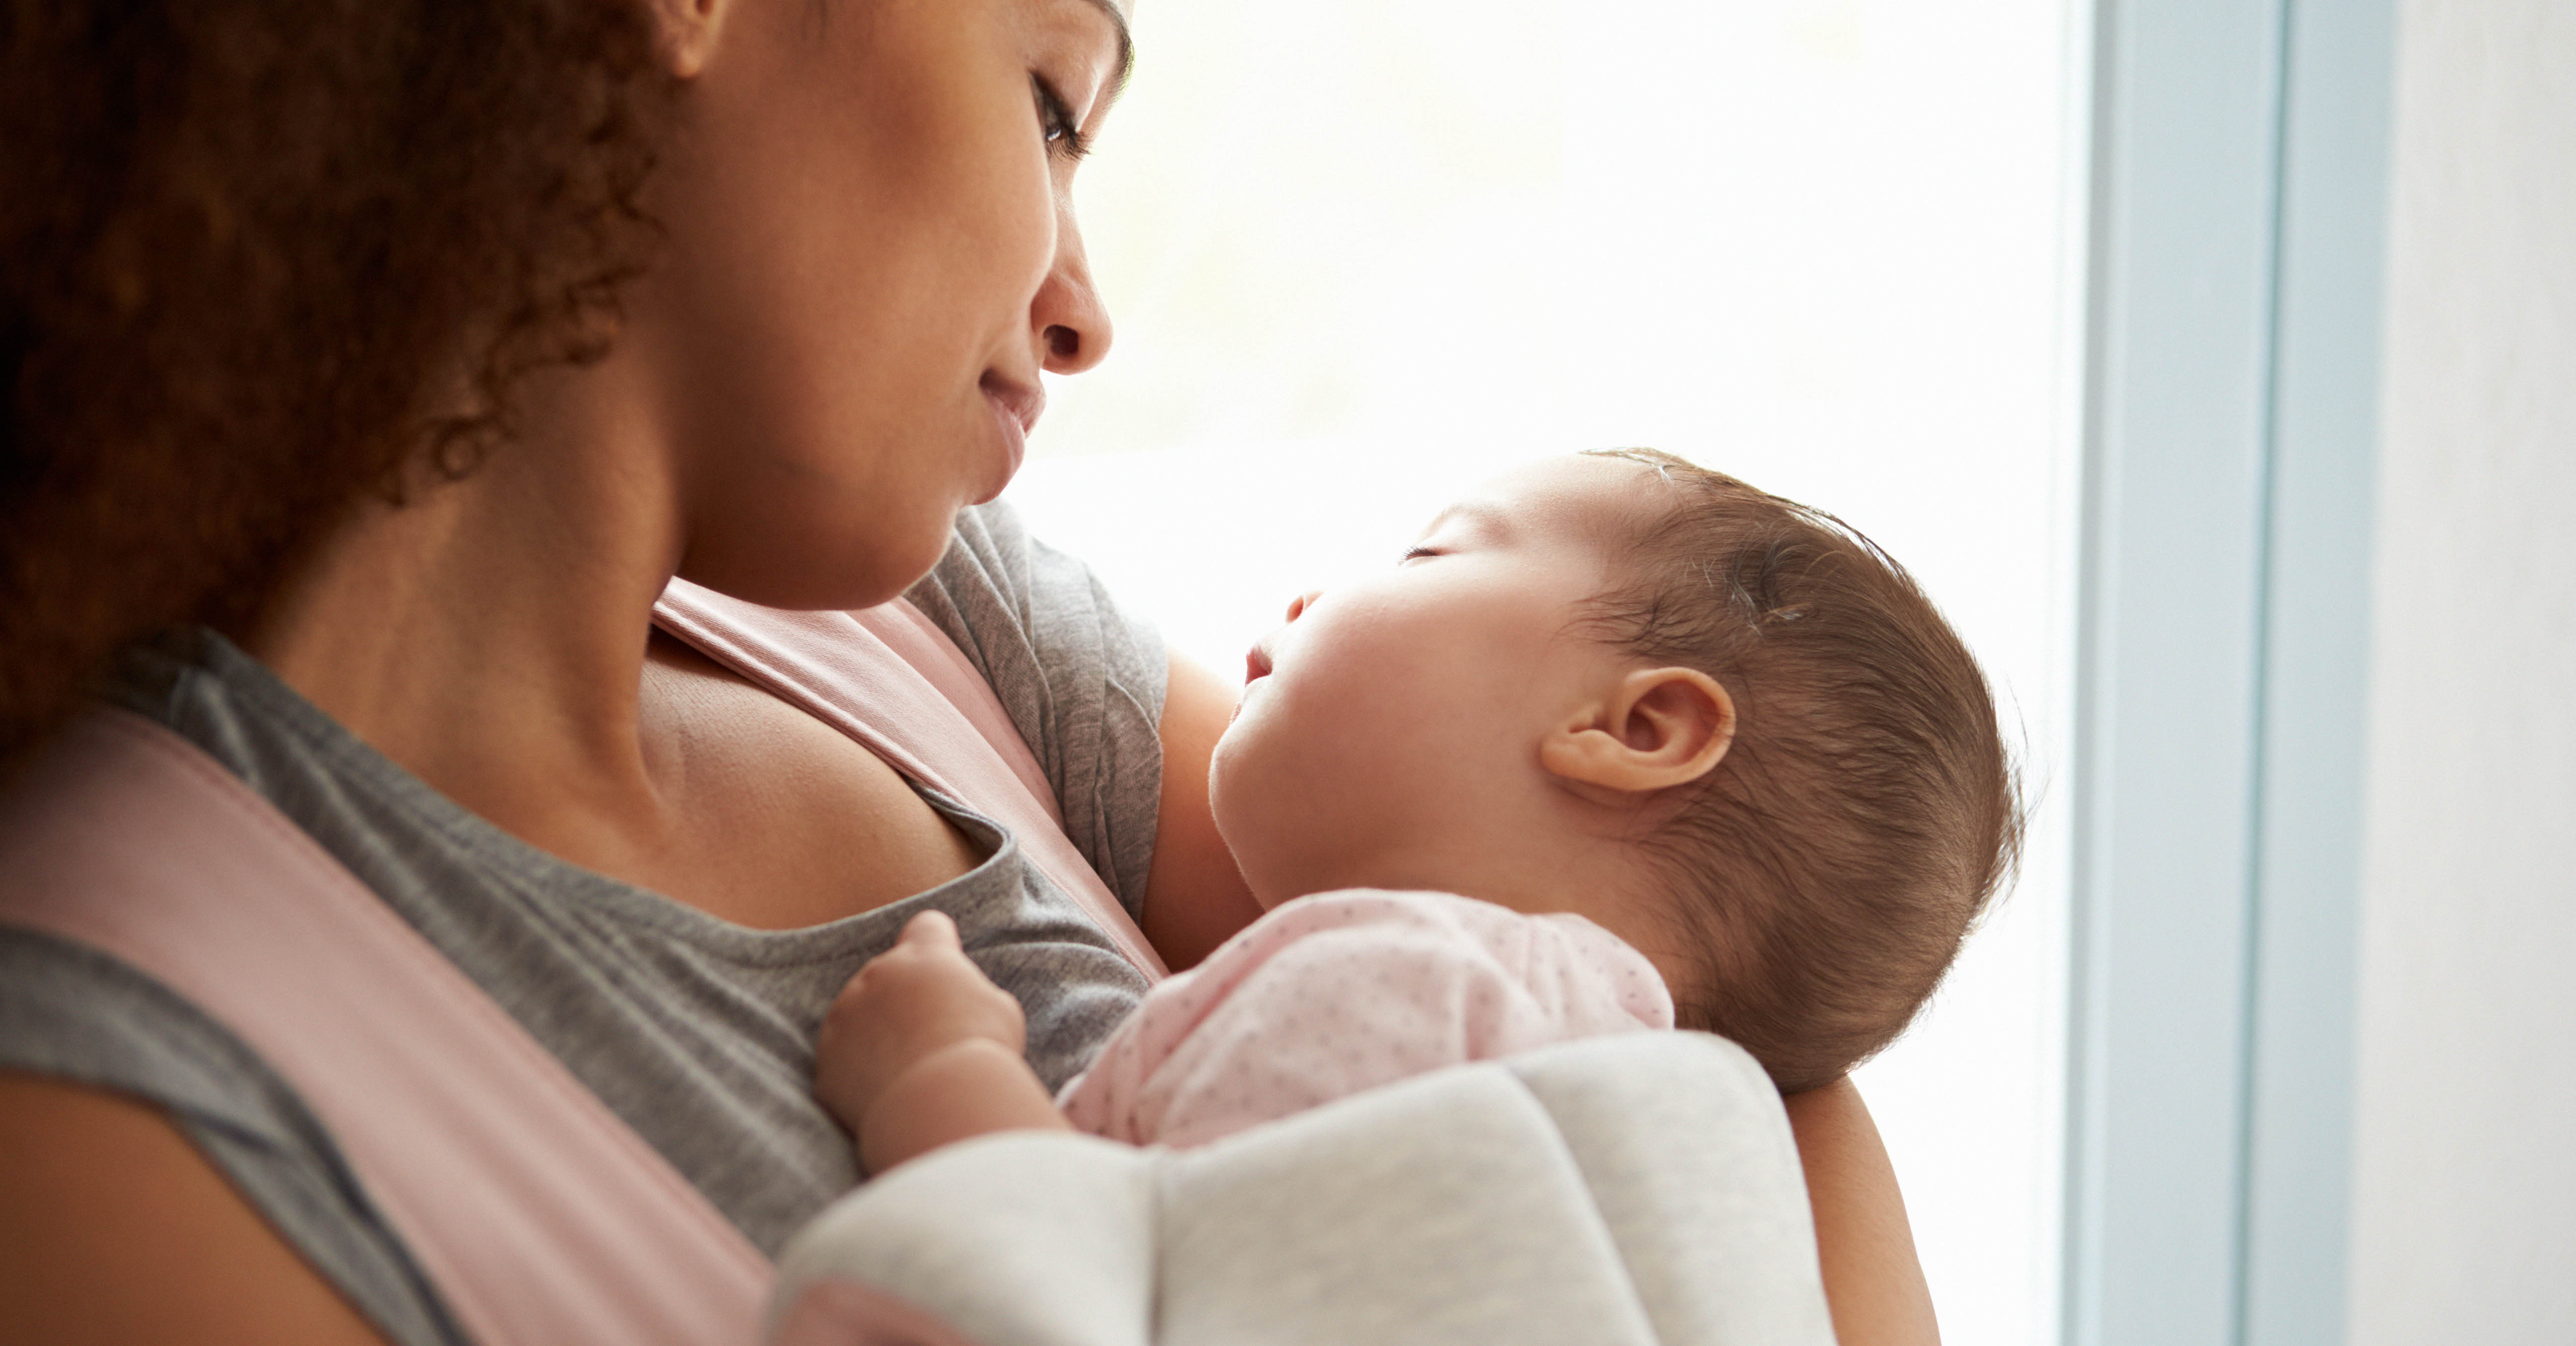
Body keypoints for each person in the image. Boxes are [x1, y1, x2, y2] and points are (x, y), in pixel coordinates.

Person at [0, 2, 1940, 1344]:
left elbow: (1702, 973)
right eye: (1048, 97)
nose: (1086, 310)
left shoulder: (923, 620)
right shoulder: (118, 1098)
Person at [816, 450, 2018, 1163]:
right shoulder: (1639, 1111)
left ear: (1636, 730)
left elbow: (1079, 1292)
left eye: (1431, 559)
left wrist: (941, 1079)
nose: (1314, 590)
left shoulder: (1411, 1007)